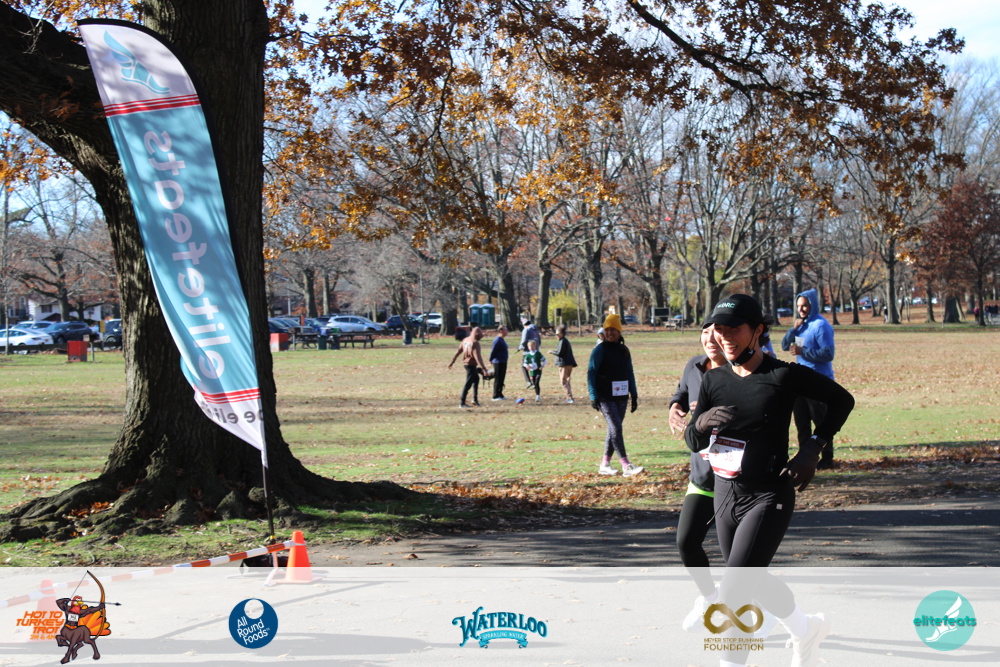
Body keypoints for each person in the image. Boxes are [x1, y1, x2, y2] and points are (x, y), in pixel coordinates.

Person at [685, 294, 854, 667]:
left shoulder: (783, 376)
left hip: (768, 495)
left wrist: (812, 448)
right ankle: (806, 630)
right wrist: (700, 423)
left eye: (734, 329)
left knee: (734, 593)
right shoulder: (713, 380)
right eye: (719, 329)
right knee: (752, 580)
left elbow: (842, 400)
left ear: (757, 330)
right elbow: (693, 441)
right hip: (725, 495)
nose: (724, 337)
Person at [667, 321, 727, 628]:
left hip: (735, 482)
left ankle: (768, 613)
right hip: (702, 477)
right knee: (687, 542)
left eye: (717, 331)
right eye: (705, 331)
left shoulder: (740, 372)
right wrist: (674, 407)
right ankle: (711, 599)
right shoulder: (693, 366)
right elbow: (681, 392)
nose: (710, 338)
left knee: (741, 559)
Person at [780, 288, 837, 469]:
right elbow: (784, 345)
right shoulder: (801, 325)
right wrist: (793, 329)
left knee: (821, 424)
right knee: (802, 425)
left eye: (805, 306)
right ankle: (804, 460)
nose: (801, 309)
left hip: (819, 382)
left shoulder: (821, 326)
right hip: (800, 383)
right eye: (798, 306)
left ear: (813, 305)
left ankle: (826, 459)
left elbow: (828, 354)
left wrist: (803, 351)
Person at [587, 314, 644, 476]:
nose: (610, 333)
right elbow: (591, 373)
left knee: (614, 430)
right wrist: (593, 396)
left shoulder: (624, 350)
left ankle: (605, 464)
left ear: (619, 332)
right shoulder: (599, 350)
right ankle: (626, 465)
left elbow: (629, 372)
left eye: (613, 330)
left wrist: (634, 394)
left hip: (621, 396)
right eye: (607, 330)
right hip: (604, 396)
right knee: (616, 427)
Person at [448, 326, 490, 408]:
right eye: (480, 335)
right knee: (468, 383)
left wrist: (452, 361)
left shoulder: (465, 340)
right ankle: (462, 403)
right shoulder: (475, 343)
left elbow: (458, 351)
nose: (481, 337)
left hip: (466, 364)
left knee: (476, 379)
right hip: (471, 364)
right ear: (477, 334)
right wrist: (484, 369)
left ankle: (475, 399)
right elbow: (477, 357)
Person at [550, 324, 577, 403]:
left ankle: (569, 398)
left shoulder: (562, 341)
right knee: (567, 381)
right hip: (568, 363)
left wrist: (552, 352)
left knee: (563, 381)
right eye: (556, 334)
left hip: (564, 364)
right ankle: (570, 397)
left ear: (562, 334)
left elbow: (560, 353)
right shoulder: (564, 341)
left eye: (558, 334)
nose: (556, 335)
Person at [518, 317, 542, 388]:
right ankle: (535, 383)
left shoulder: (526, 329)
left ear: (524, 324)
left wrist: (520, 347)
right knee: (534, 367)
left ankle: (528, 381)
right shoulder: (536, 330)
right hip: (536, 351)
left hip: (527, 352)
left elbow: (523, 340)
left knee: (524, 366)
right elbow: (539, 341)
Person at [489, 326, 509, 401]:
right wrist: (490, 360)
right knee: (498, 378)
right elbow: (493, 351)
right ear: (501, 331)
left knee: (502, 378)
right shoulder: (497, 340)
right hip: (498, 361)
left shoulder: (502, 340)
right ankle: (495, 395)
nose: (507, 331)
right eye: (505, 330)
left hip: (503, 361)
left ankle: (500, 393)